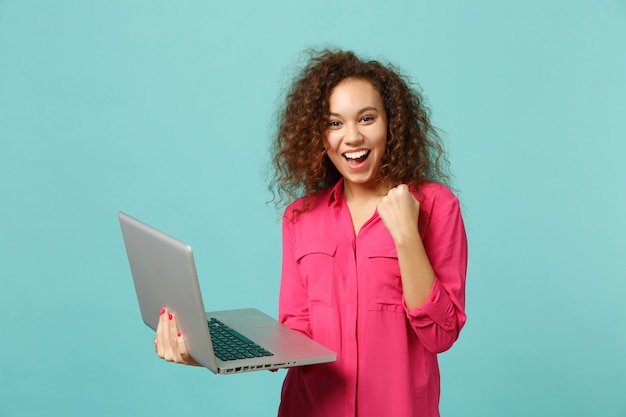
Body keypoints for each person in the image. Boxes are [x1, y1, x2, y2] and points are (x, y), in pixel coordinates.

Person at [155, 49, 468, 417]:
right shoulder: (300, 218)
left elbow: (440, 334)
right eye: (334, 123)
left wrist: (405, 235)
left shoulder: (435, 206)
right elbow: (296, 334)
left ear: (391, 125)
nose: (351, 137)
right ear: (318, 135)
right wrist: (210, 353)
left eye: (366, 118)